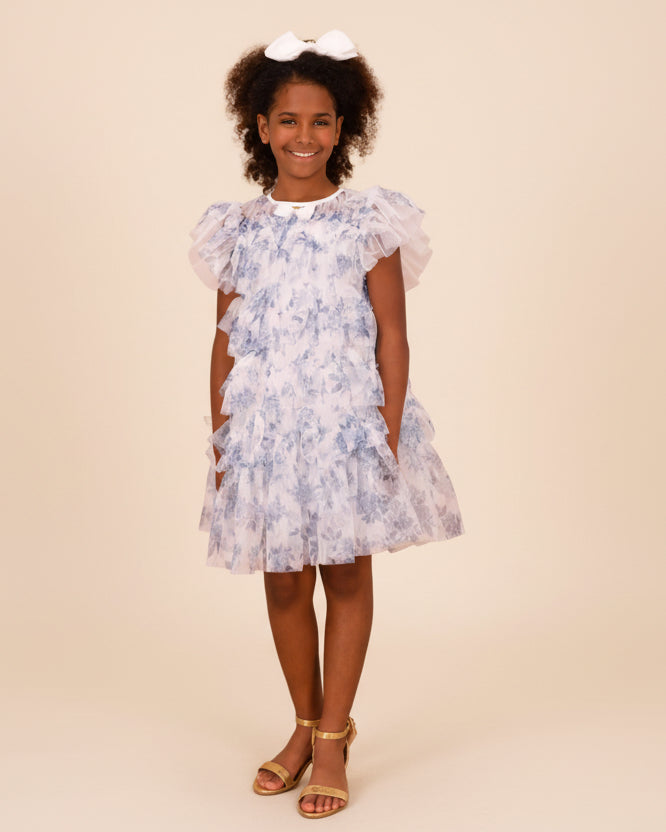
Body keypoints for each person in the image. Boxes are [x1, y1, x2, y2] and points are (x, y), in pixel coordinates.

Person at [187, 29, 465, 819]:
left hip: (346, 427)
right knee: (282, 579)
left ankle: (336, 735)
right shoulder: (236, 230)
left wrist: (383, 429)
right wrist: (222, 437)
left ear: (344, 129)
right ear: (260, 128)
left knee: (344, 572)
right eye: (287, 120)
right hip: (268, 430)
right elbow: (225, 339)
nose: (303, 136)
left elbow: (393, 336)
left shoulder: (368, 222)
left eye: (320, 121)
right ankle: (303, 725)